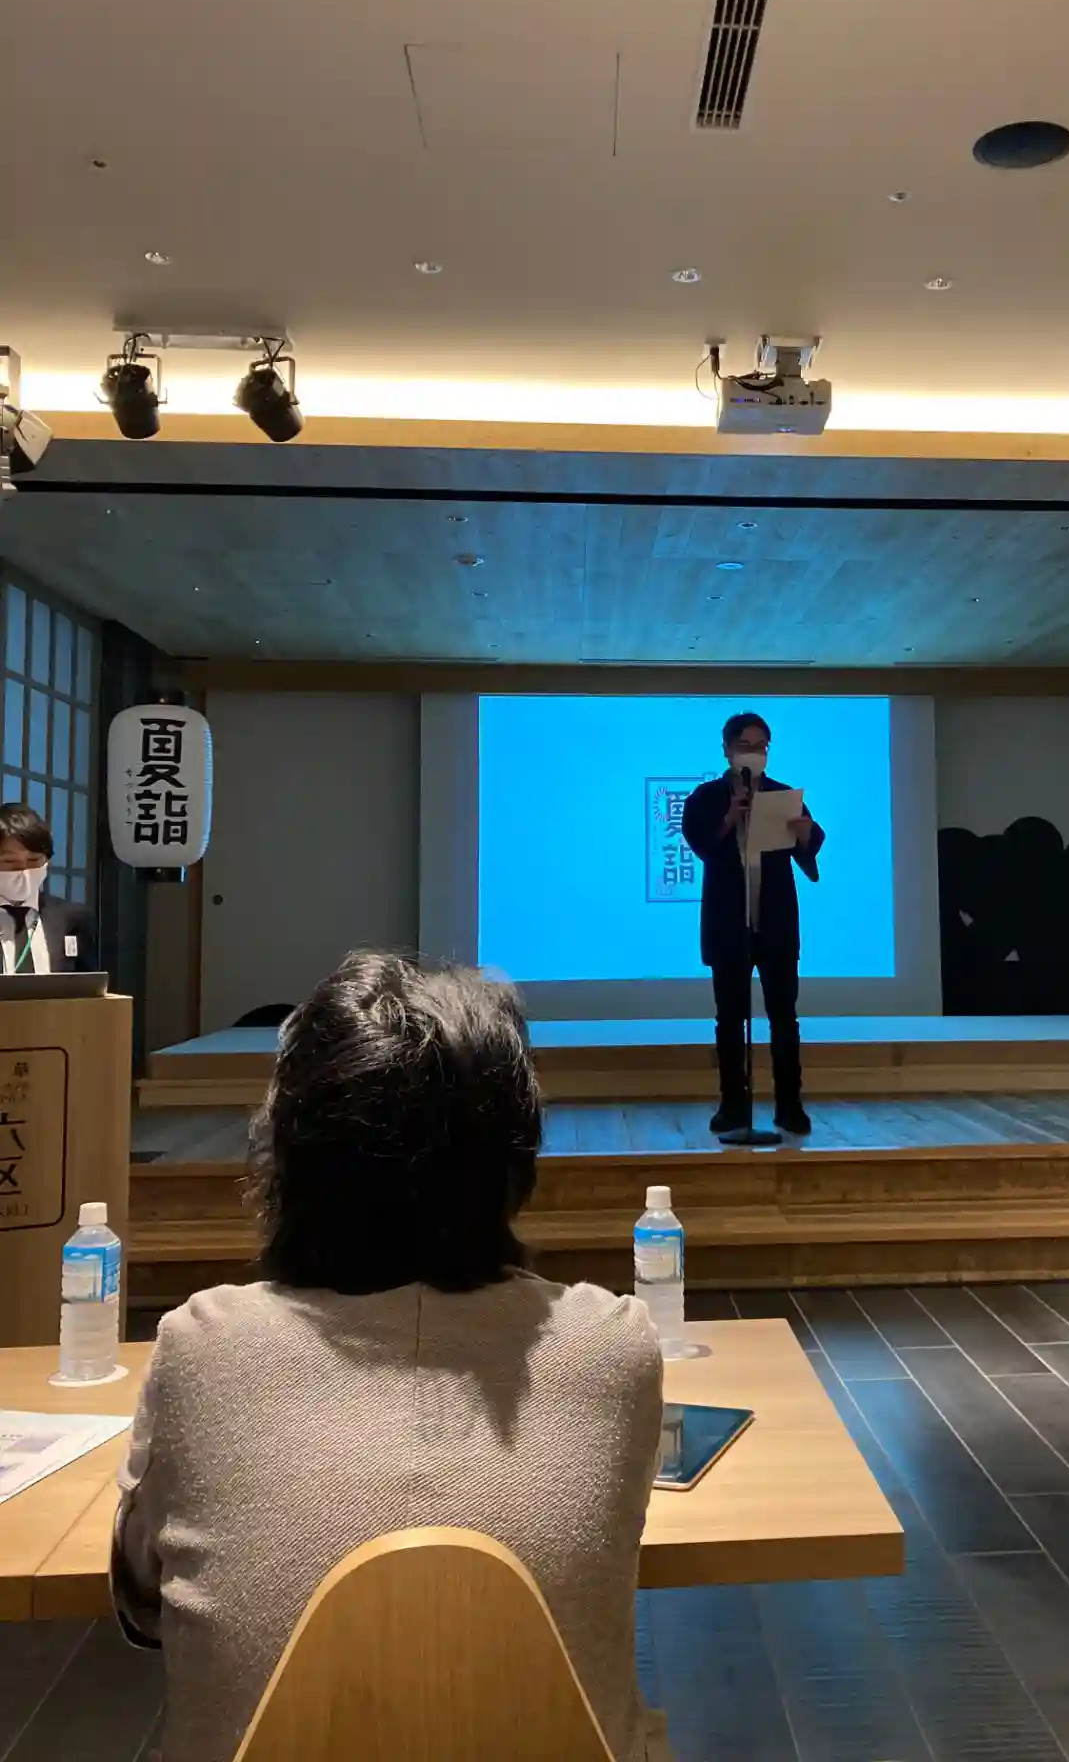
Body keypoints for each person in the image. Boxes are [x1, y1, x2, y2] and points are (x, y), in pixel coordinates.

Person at [111, 952, 669, 1762]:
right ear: (514, 1156)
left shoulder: (204, 1344)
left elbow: (141, 1600)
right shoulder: (612, 1344)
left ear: (287, 1149)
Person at [681, 712, 824, 1137]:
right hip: (729, 926)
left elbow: (809, 850)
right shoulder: (706, 797)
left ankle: (789, 1106)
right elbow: (700, 843)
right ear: (727, 750)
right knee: (730, 1019)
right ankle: (733, 1107)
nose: (754, 754)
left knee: (784, 1018)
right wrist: (729, 818)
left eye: (761, 746)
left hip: (776, 924)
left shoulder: (782, 795)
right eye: (745, 746)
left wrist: (805, 834)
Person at [0, 800, 96, 974]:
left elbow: (87, 984)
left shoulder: (72, 918)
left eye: (33, 860)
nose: (23, 870)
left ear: (47, 860)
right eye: (10, 861)